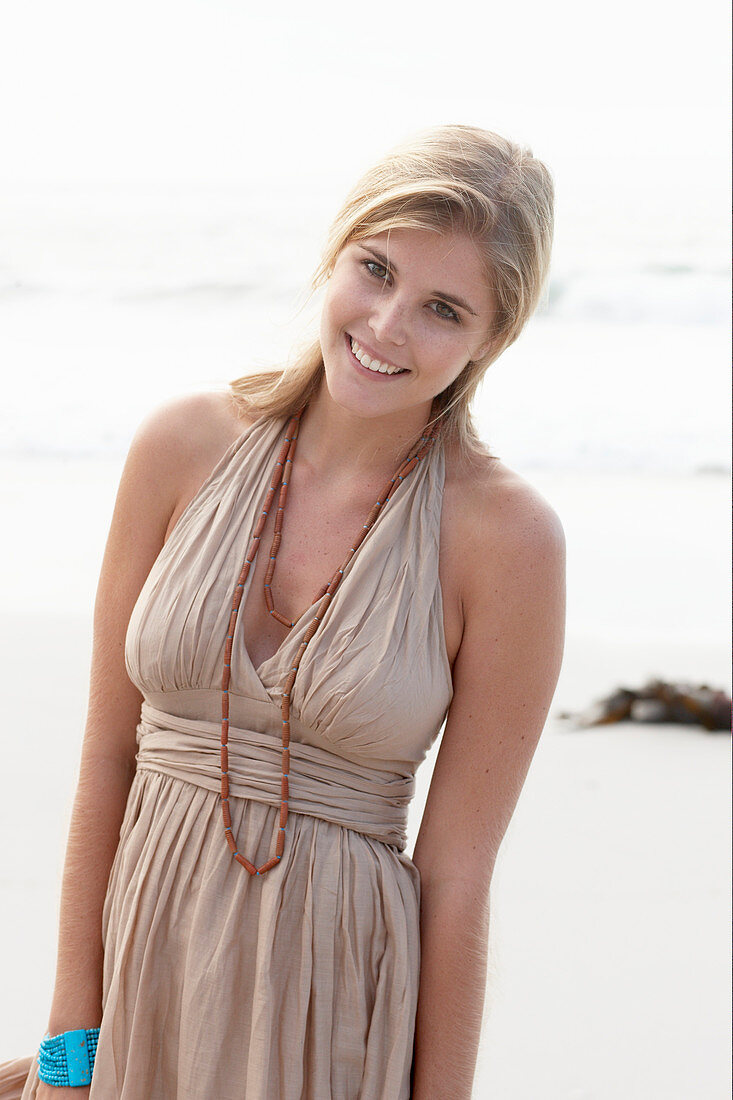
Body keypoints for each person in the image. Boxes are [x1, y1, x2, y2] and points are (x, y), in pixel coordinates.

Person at [0, 123, 566, 1099]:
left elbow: (457, 874)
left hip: (330, 1006)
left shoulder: (506, 539)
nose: (388, 324)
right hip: (141, 972)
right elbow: (108, 755)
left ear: (492, 337)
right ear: (334, 252)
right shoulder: (180, 445)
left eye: (441, 307)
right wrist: (68, 1044)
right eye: (375, 269)